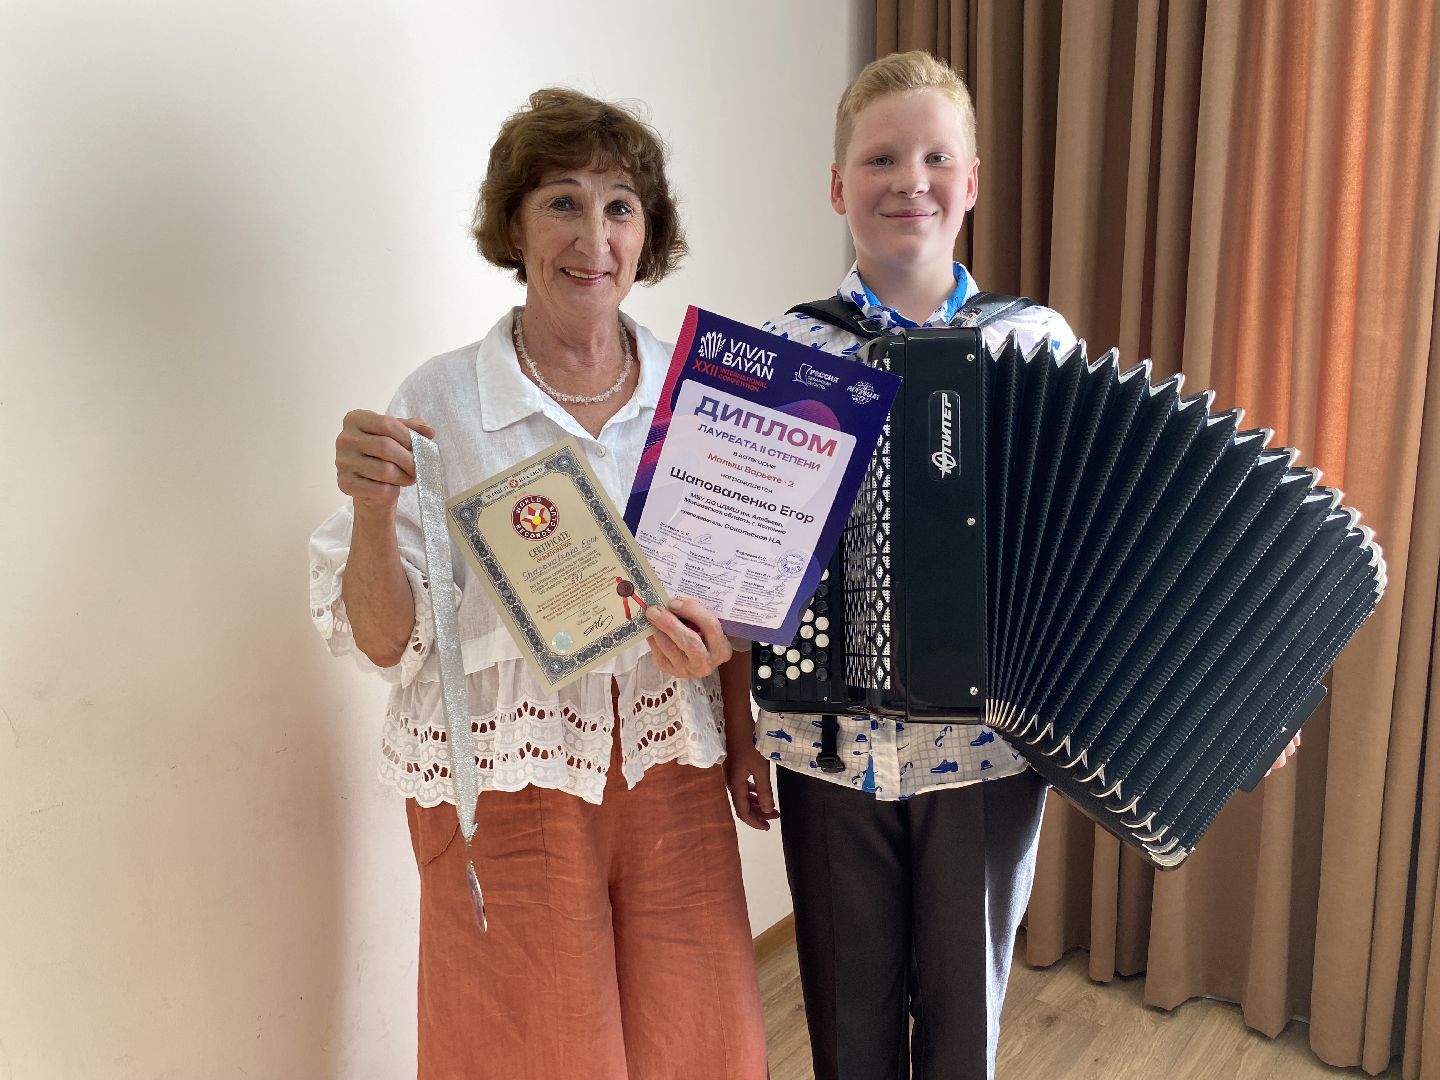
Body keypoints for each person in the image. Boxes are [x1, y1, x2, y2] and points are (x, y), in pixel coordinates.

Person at [718, 51, 1298, 1080]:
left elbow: (1118, 551)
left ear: (972, 181)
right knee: (845, 1020)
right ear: (838, 186)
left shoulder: (1036, 343)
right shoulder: (785, 352)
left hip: (986, 756)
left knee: (964, 1024)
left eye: (937, 157)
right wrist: (737, 731)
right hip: (823, 747)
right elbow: (733, 567)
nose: (911, 181)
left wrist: (1237, 701)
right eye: (881, 158)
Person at [309, 87, 767, 1080]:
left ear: (647, 234)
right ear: (514, 226)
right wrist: (373, 512)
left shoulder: (698, 391)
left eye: (620, 206)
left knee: (696, 1038)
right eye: (562, 201)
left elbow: (738, 600)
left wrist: (729, 701)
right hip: (509, 780)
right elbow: (384, 641)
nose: (593, 237)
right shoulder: (438, 401)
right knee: (530, 1048)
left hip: (670, 767)